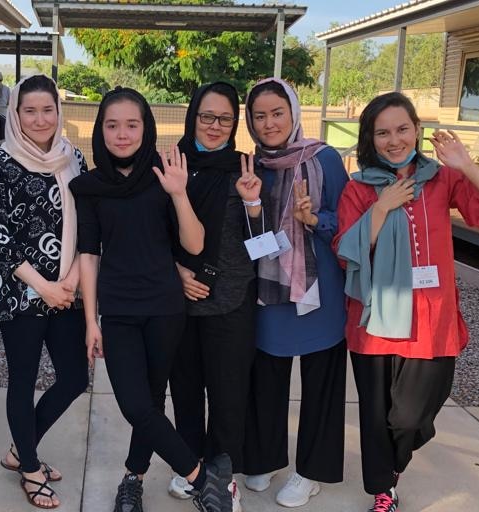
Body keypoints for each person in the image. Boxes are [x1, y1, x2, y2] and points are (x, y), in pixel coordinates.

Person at [70, 87, 234, 512]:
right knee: (135, 404)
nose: (122, 134)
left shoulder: (165, 174)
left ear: (147, 127)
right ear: (99, 130)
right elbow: (89, 254)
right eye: (112, 125)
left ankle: (133, 479)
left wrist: (179, 194)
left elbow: (195, 246)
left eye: (131, 124)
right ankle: (202, 478)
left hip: (165, 308)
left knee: (153, 399)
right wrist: (91, 321)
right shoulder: (88, 186)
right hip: (120, 310)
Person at [334, 92, 479, 512]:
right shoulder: (359, 188)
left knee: (411, 418)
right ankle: (384, 489)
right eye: (383, 132)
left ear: (417, 130)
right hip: (374, 321)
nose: (394, 140)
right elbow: (346, 249)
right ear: (371, 138)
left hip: (433, 320)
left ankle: (393, 468)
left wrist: (468, 167)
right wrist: (381, 209)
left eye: (402, 129)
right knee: (377, 415)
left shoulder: (443, 179)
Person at [0, 74, 89, 510]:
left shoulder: (73, 158)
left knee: (75, 378)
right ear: (15, 114)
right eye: (30, 110)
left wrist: (73, 282)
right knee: (22, 382)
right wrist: (43, 287)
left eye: (48, 109)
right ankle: (29, 465)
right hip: (21, 294)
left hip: (67, 292)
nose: (40, 118)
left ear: (58, 112)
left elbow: (88, 227)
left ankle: (19, 449)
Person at [242, 78, 349, 508]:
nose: (269, 124)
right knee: (266, 378)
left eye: (277, 113)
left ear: (294, 112)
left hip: (318, 292)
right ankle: (264, 457)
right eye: (259, 116)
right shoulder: (251, 165)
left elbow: (349, 224)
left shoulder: (325, 159)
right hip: (270, 292)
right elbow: (245, 235)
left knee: (321, 383)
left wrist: (313, 220)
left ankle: (310, 471)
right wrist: (252, 208)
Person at [166, 82, 262, 511]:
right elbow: (150, 231)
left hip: (231, 300)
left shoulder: (244, 167)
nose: (214, 126)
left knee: (226, 394)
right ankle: (191, 468)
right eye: (207, 116)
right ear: (192, 116)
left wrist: (254, 204)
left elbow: (265, 244)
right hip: (179, 299)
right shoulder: (170, 163)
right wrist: (177, 272)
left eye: (225, 118)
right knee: (185, 389)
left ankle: (222, 479)